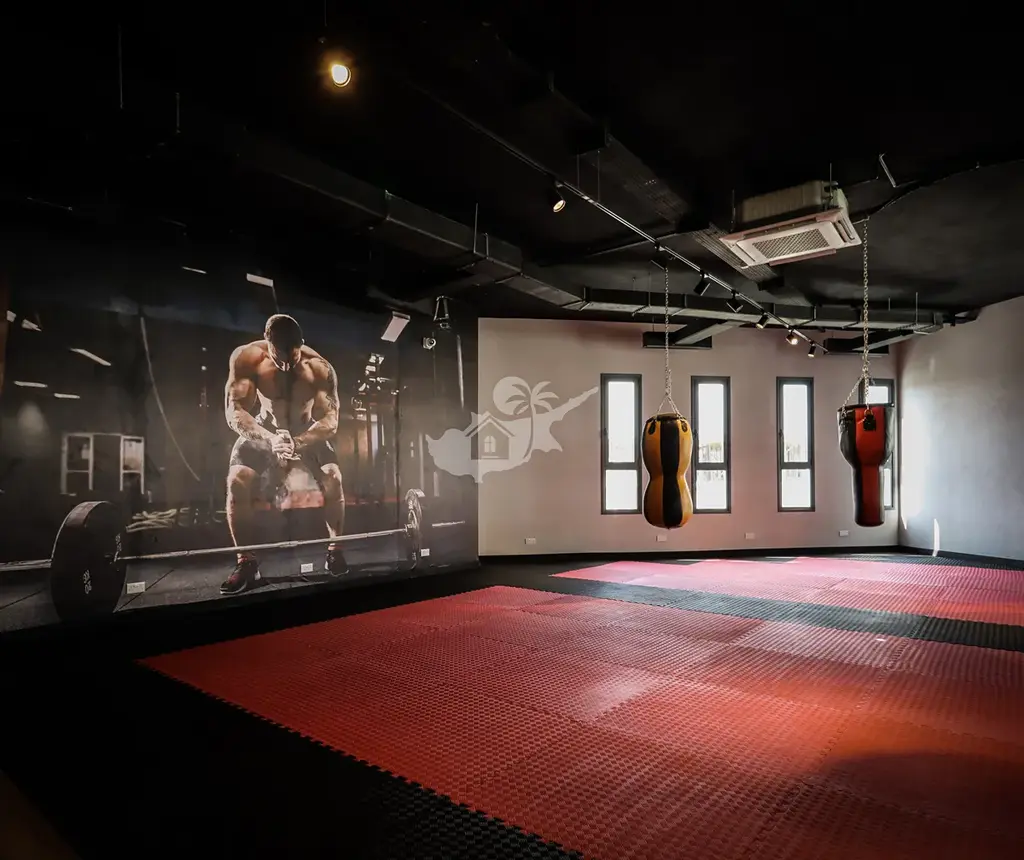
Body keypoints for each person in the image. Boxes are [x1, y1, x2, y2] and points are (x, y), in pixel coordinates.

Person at [221, 314, 347, 594]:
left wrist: (298, 442)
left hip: (305, 431)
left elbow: (331, 420)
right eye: (280, 359)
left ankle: (335, 550)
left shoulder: (319, 367)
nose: (287, 366)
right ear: (267, 343)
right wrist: (270, 439)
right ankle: (245, 562)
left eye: (293, 357)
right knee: (236, 481)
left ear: (301, 343)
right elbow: (235, 411)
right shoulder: (247, 358)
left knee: (333, 477)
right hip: (265, 428)